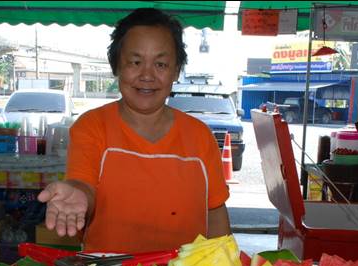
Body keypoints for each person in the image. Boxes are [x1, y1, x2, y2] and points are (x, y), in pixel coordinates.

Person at [37, 8, 230, 253]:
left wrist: (226, 265)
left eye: (161, 64)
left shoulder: (200, 136)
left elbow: (214, 211)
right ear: (117, 66)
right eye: (135, 62)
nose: (147, 75)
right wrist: (78, 195)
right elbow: (83, 186)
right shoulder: (91, 126)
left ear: (176, 70)